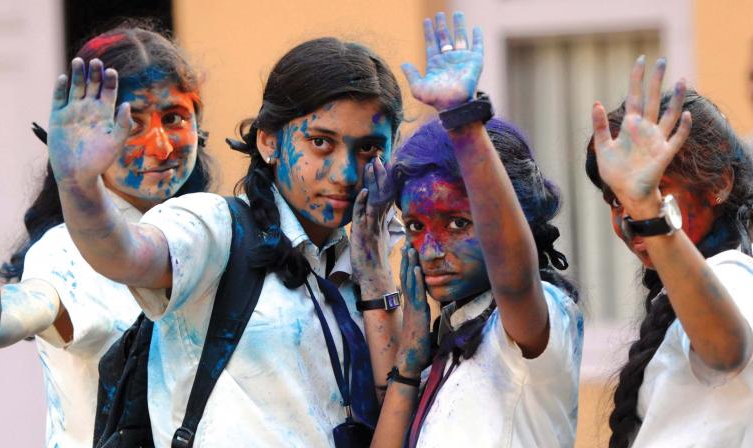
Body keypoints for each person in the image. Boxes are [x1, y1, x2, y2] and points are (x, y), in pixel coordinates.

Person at [45, 35, 405, 446]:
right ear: (268, 140)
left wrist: (378, 278)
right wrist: (78, 183)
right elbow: (124, 255)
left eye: (369, 149)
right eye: (320, 142)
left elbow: (398, 405)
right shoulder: (215, 229)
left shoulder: (374, 254)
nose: (344, 172)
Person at [0, 24, 211, 448]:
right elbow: (39, 299)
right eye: (128, 123)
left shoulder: (217, 227)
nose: (160, 146)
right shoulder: (66, 249)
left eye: (173, 118)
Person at [371, 12, 582, 447]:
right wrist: (409, 363)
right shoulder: (449, 338)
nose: (429, 250)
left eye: (457, 223)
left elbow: (515, 276)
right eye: (414, 226)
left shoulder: (531, 325)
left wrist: (465, 124)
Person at [587, 57, 753, 447]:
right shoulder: (682, 295)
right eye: (616, 199)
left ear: (720, 185)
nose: (629, 214)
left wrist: (649, 210)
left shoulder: (732, 274)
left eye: (657, 187)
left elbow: (726, 351)